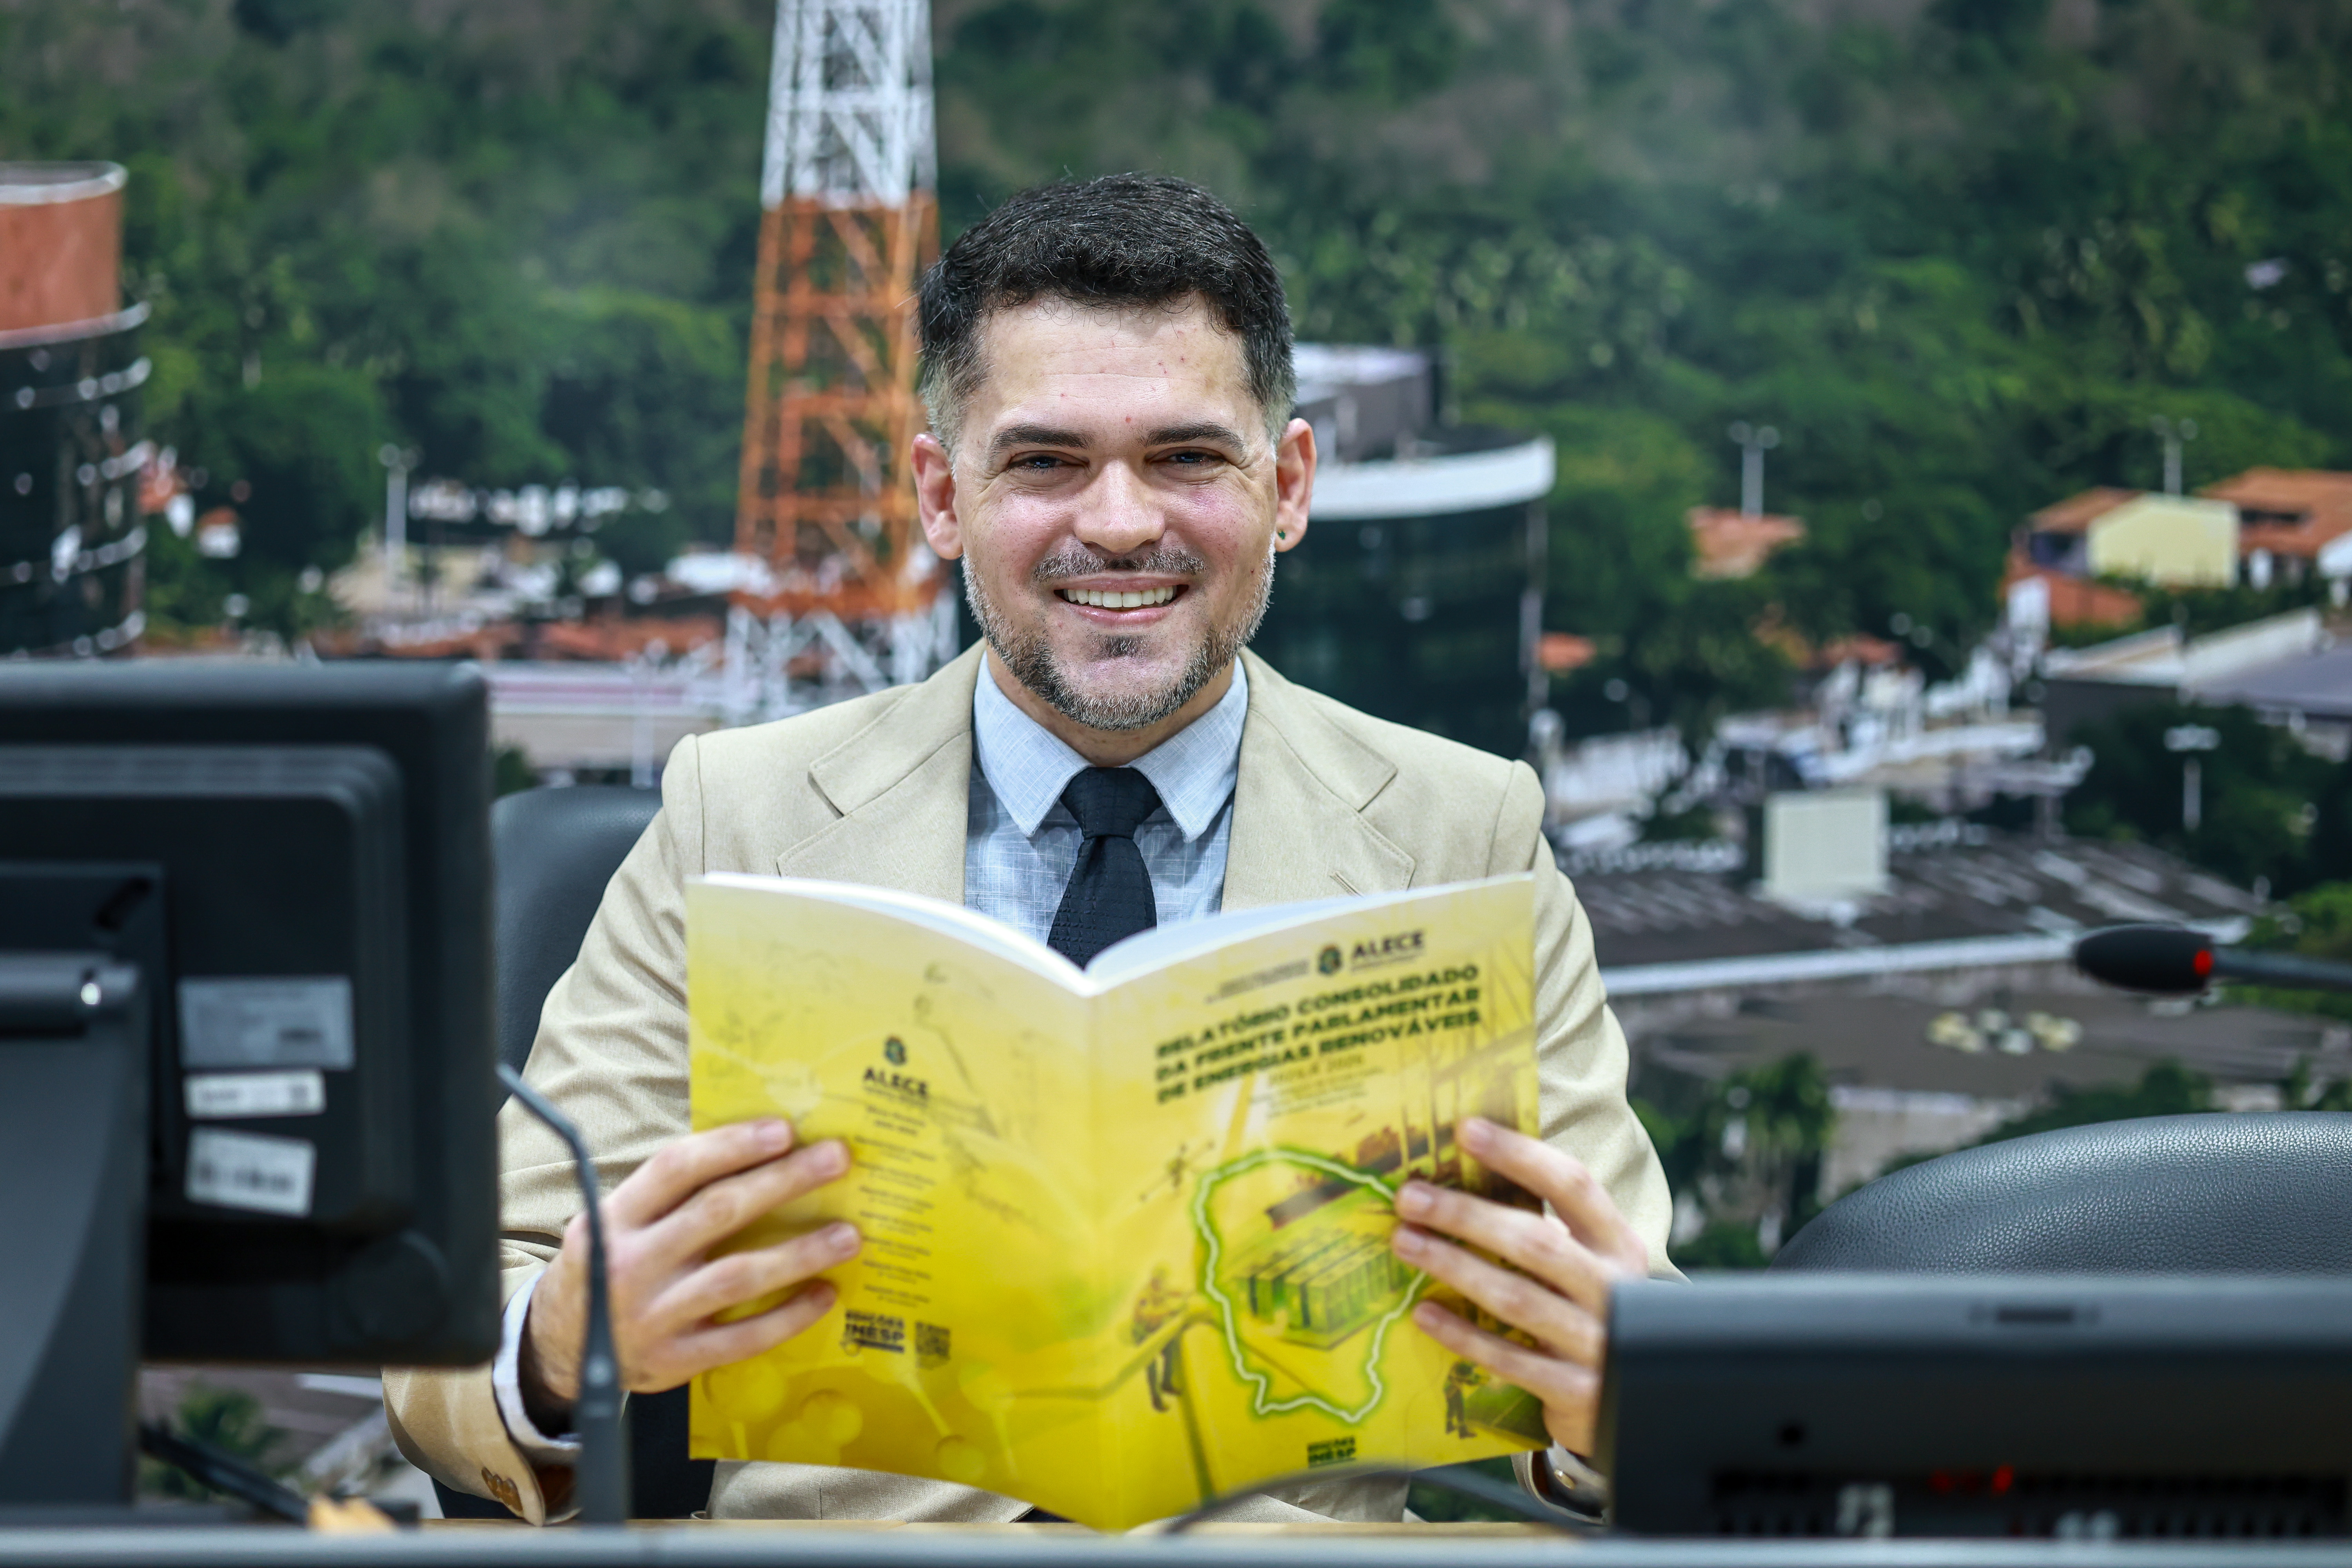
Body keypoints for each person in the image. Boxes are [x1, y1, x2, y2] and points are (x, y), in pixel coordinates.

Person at [385, 174, 1673, 1525]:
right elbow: (449, 1344)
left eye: (1187, 458)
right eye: (1046, 463)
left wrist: (1613, 1397)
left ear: (1287, 486)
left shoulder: (1466, 837)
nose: (1117, 524)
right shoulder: (740, 820)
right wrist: (558, 1341)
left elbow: (1649, 1351)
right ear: (943, 496)